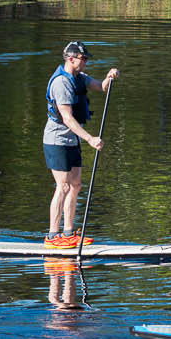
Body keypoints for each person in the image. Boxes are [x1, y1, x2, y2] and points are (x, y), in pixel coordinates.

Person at [43, 41, 117, 249]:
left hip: (72, 139)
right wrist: (90, 139)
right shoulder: (61, 83)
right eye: (83, 58)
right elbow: (67, 118)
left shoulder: (79, 78)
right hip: (56, 139)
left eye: (86, 59)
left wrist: (109, 77)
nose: (85, 62)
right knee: (63, 185)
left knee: (76, 185)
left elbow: (101, 87)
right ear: (70, 58)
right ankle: (52, 236)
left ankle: (68, 233)